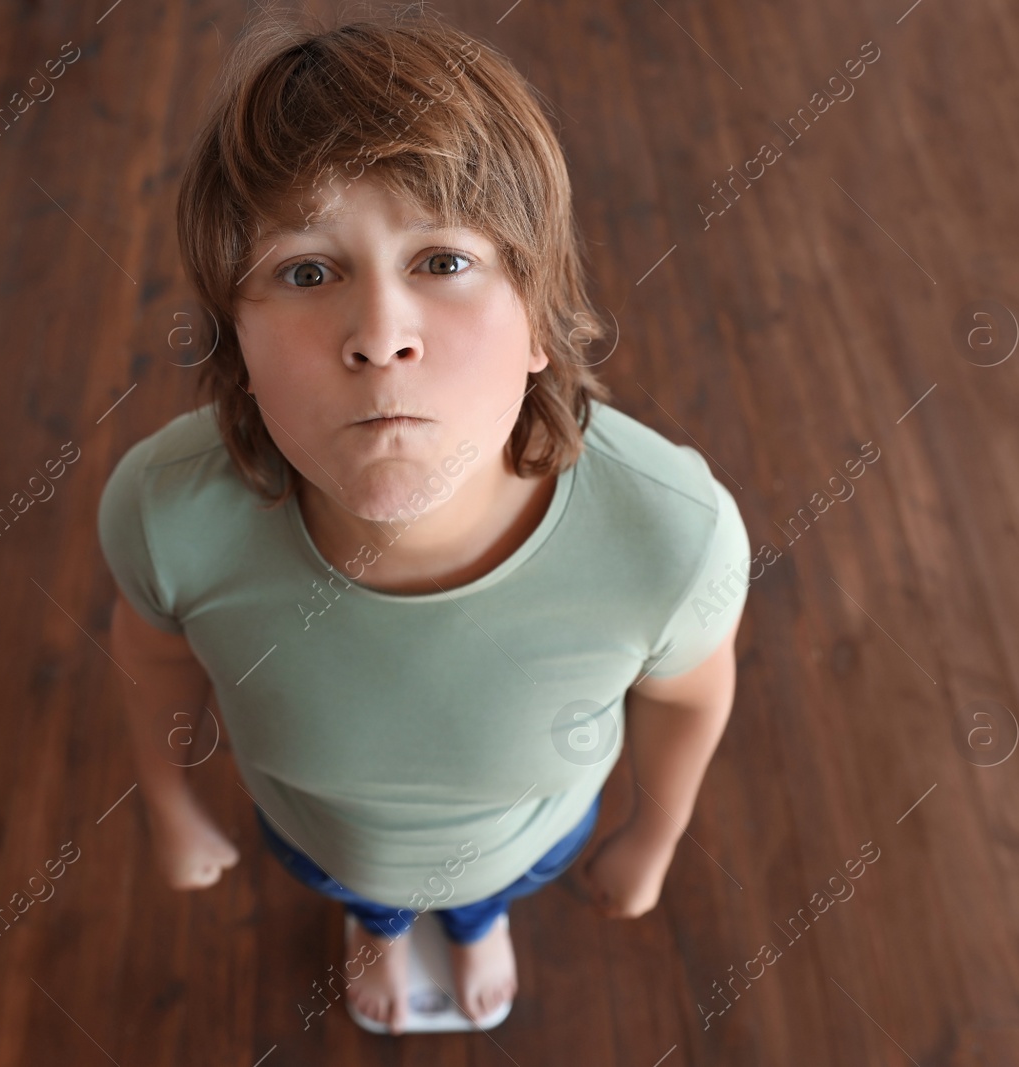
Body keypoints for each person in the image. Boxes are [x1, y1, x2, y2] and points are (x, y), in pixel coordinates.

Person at [97, 9, 750, 1036]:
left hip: (531, 836)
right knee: (373, 890)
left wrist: (652, 837)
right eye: (306, 270)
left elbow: (688, 699)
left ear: (538, 316)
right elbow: (152, 661)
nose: (378, 336)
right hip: (318, 838)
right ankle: (381, 922)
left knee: (489, 885)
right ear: (237, 343)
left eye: (442, 261)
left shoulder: (669, 536)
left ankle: (479, 913)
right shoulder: (164, 512)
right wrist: (169, 804)